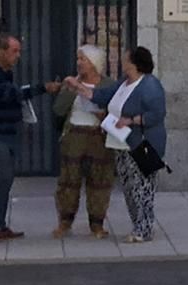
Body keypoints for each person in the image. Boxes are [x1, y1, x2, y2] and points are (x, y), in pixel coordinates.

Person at [71, 45, 167, 244]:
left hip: (144, 143)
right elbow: (103, 95)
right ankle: (138, 225)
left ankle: (144, 229)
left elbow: (157, 114)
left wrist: (132, 120)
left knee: (143, 187)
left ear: (135, 63)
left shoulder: (150, 85)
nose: (122, 61)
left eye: (125, 59)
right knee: (129, 187)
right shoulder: (124, 82)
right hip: (121, 142)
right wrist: (80, 88)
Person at [0, 31, 58, 241]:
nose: (18, 55)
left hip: (6, 132)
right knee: (3, 176)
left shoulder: (4, 72)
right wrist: (42, 88)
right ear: (0, 51)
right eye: (14, 51)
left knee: (5, 178)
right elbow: (10, 94)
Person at [51, 44, 115, 239]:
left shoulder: (108, 85)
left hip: (98, 135)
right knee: (68, 181)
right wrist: (68, 90)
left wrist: (102, 112)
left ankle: (97, 223)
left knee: (99, 181)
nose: (79, 63)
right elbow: (58, 110)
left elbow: (115, 111)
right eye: (78, 59)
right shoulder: (72, 83)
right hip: (74, 135)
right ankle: (64, 221)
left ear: (94, 64)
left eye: (83, 59)